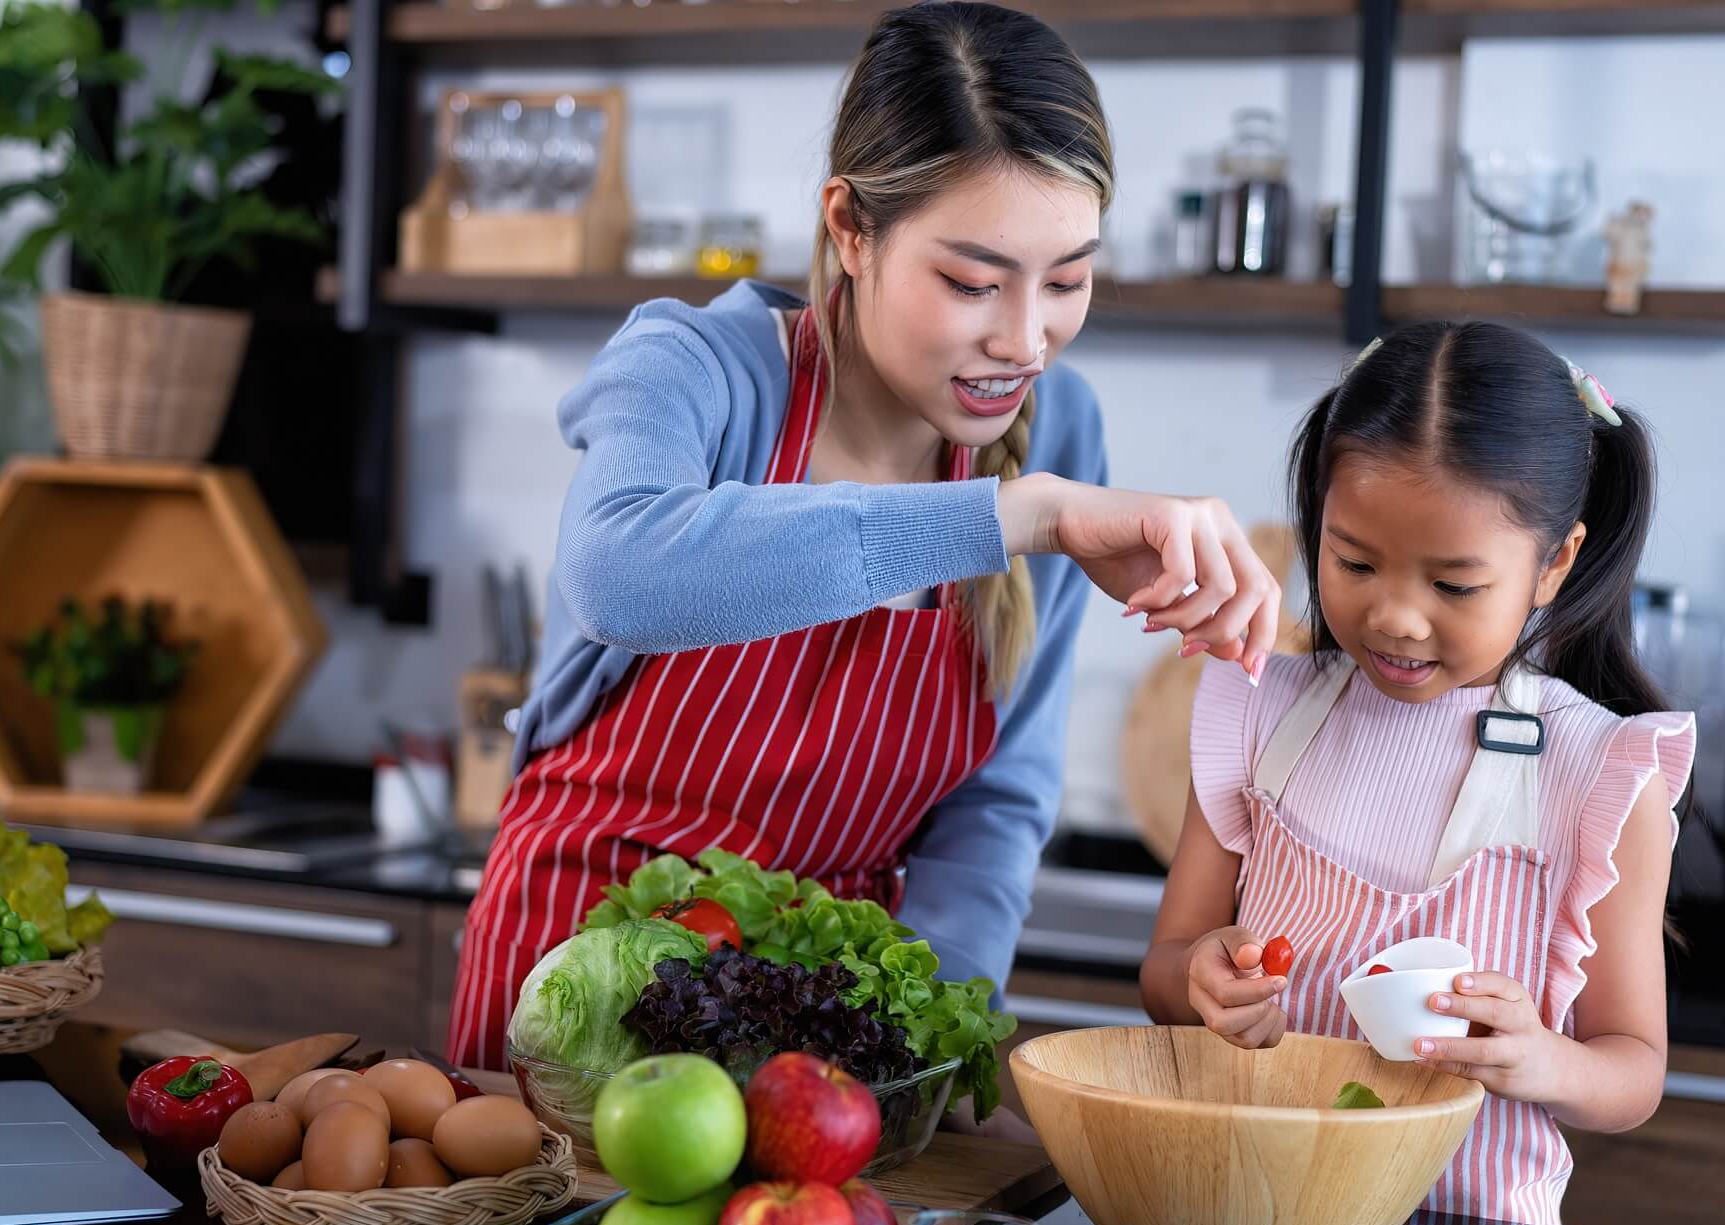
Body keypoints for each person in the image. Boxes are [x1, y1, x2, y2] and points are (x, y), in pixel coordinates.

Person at [449, 2, 1281, 1078]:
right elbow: (619, 568)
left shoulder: (1060, 430)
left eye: (1067, 280)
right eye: (972, 282)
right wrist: (1015, 514)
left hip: (830, 1019)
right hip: (575, 983)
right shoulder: (698, 370)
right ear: (851, 227)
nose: (1023, 339)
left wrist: (918, 1046)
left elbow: (995, 805)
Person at [1141, 322, 1695, 1225]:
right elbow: (1166, 969)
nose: (1395, 616)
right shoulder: (1256, 711)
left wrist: (1540, 1058)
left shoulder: (1598, 774)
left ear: (1553, 563)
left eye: (1454, 585)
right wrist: (1201, 979)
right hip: (1251, 1214)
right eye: (1354, 560)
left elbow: (1632, 1069)